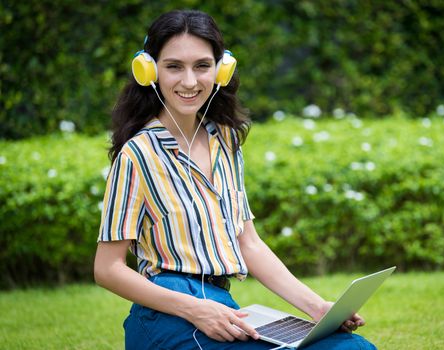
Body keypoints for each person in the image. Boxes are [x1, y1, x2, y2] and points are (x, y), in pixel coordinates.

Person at [94, 9, 377, 350]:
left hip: (221, 308)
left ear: (221, 69)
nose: (189, 81)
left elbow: (249, 243)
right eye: (173, 67)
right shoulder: (137, 155)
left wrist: (318, 308)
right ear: (149, 71)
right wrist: (195, 310)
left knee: (352, 348)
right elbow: (107, 268)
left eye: (201, 65)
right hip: (169, 313)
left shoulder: (224, 141)